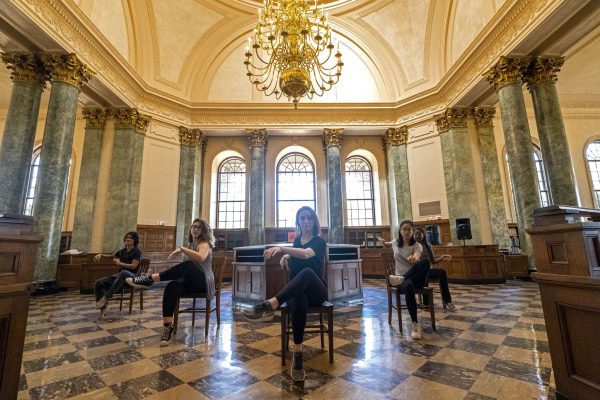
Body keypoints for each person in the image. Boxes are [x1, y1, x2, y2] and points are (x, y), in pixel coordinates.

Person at [242, 206, 327, 382]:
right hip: (300, 293)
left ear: (314, 221)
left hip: (317, 291)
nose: (306, 222)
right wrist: (287, 257)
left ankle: (272, 304)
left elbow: (306, 255)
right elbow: (297, 254)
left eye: (309, 218)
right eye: (302, 218)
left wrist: (283, 250)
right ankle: (298, 355)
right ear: (298, 222)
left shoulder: (319, 241)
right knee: (299, 299)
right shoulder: (296, 241)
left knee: (307, 273)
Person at [126, 219, 215, 347]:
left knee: (187, 265)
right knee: (171, 286)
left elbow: (201, 258)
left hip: (204, 282)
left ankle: (149, 279)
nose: (195, 229)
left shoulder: (205, 244)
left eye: (198, 227)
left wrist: (182, 249)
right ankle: (168, 327)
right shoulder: (191, 245)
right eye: (193, 227)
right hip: (190, 282)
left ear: (204, 230)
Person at [377, 220, 430, 340]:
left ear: (412, 231)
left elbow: (417, 255)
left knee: (426, 262)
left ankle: (402, 278)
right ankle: (415, 324)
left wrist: (414, 258)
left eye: (409, 230)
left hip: (416, 279)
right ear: (400, 231)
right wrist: (383, 242)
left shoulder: (417, 245)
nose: (406, 232)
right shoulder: (395, 242)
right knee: (408, 286)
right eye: (404, 229)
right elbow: (387, 244)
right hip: (406, 283)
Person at [93, 231, 143, 320]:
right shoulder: (123, 250)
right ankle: (103, 307)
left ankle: (105, 297)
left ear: (135, 240)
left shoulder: (137, 251)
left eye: (130, 238)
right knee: (98, 282)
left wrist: (120, 263)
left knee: (124, 273)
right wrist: (101, 255)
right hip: (120, 277)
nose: (128, 239)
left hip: (133, 277)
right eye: (127, 237)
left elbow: (133, 266)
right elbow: (112, 256)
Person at [414, 227, 455, 310]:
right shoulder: (412, 246)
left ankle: (447, 301)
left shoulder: (428, 245)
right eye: (416, 234)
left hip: (428, 270)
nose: (418, 236)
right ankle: (426, 303)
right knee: (423, 275)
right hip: (417, 272)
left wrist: (442, 258)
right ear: (413, 235)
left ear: (423, 235)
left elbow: (433, 261)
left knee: (442, 272)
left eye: (420, 234)